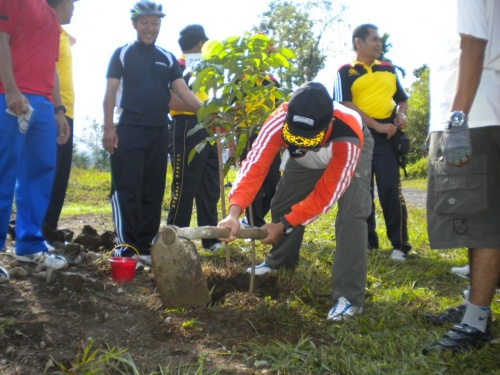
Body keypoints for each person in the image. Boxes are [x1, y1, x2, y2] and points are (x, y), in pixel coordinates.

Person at [218, 82, 373, 320]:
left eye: (307, 139)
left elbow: (326, 194)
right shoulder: (277, 121)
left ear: (329, 124)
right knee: (282, 203)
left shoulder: (348, 133)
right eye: (295, 137)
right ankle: (280, 262)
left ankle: (348, 297)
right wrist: (234, 213)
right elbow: (255, 166)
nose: (300, 143)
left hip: (344, 153)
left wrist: (284, 225)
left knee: (352, 216)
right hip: (303, 163)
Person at [423, 0, 500, 354]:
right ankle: (475, 300)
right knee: (478, 217)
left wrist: (457, 120)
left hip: (475, 116)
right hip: (478, 112)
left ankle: (476, 320)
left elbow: (474, 43)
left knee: (483, 225)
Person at [102, 1, 202, 266]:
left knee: (153, 189)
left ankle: (145, 246)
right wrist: (108, 128)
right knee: (128, 188)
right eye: (144, 22)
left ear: (160, 25)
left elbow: (183, 91)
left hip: (159, 130)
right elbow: (110, 93)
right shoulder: (122, 54)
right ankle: (125, 245)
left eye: (155, 22)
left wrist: (208, 113)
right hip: (129, 130)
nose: (150, 27)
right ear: (135, 24)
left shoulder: (167, 58)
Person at [0, 0, 69, 270]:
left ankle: (29, 245)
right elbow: (2, 39)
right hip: (11, 96)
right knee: (4, 173)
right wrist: (11, 89)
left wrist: (59, 109)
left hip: (43, 103)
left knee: (39, 173)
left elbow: (51, 66)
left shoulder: (51, 15)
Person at [333, 23, 411, 261]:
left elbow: (402, 100)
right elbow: (345, 104)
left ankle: (399, 245)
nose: (379, 43)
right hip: (359, 137)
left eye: (379, 40)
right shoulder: (345, 71)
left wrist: (401, 115)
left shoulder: (388, 68)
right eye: (374, 39)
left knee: (390, 188)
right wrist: (376, 125)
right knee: (361, 191)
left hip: (388, 137)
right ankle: (368, 242)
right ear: (358, 42)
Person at [166, 24, 222, 252]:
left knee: (210, 184)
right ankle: (175, 237)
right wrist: (202, 110)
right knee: (185, 184)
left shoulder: (204, 69)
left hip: (207, 127)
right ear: (201, 44)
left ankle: (211, 239)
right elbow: (170, 101)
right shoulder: (177, 67)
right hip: (185, 125)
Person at [43, 0, 78, 242]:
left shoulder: (60, 30)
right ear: (62, 3)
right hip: (54, 109)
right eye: (73, 3)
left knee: (61, 172)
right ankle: (39, 226)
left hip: (65, 110)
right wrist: (57, 109)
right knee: (49, 172)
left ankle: (47, 225)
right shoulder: (48, 27)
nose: (74, 8)